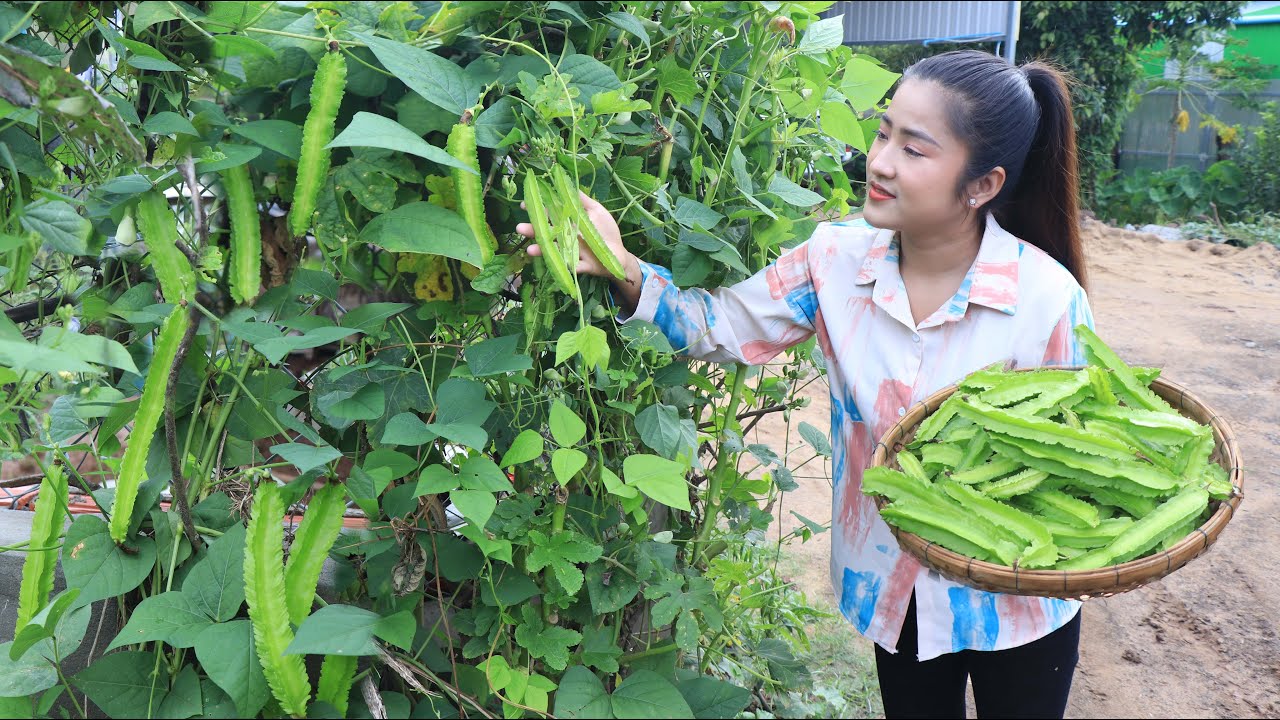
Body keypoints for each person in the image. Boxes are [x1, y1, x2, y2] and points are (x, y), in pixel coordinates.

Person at [518, 49, 1092, 719]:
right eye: (883, 133)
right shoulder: (834, 259)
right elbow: (721, 326)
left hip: (1020, 600)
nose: (878, 161)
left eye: (914, 149)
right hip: (895, 589)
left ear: (981, 185)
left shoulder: (1046, 300)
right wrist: (623, 268)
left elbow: (1070, 461)